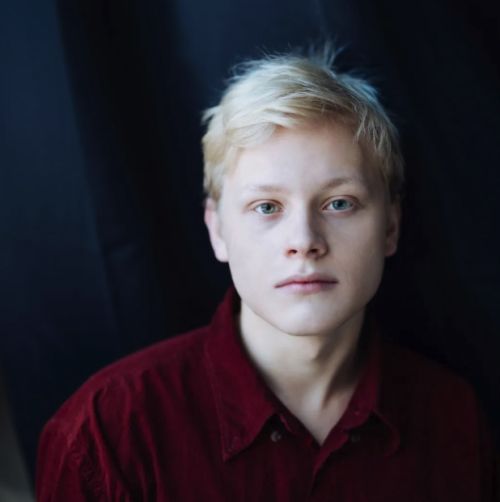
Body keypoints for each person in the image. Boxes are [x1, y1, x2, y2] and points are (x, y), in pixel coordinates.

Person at [36, 48, 497, 501]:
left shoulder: (454, 419)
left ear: (391, 227)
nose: (304, 241)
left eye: (339, 203)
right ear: (218, 230)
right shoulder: (105, 438)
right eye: (266, 207)